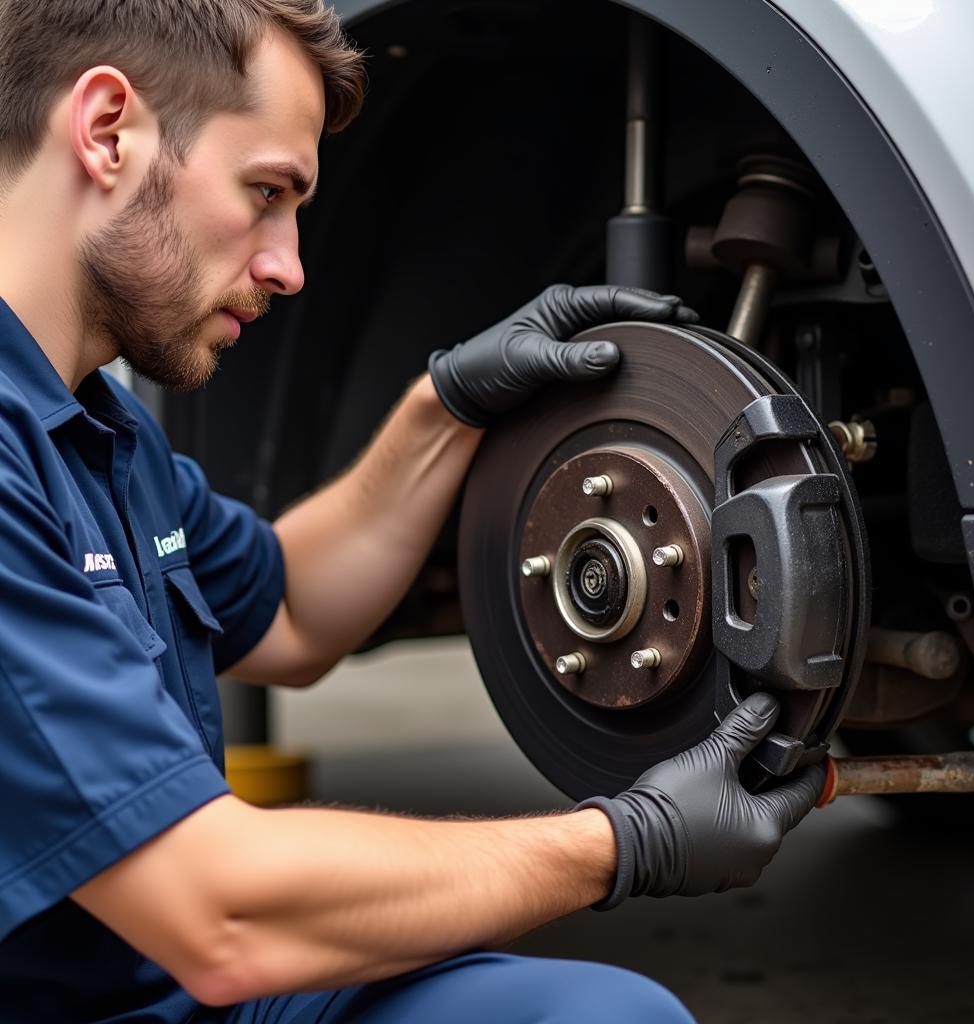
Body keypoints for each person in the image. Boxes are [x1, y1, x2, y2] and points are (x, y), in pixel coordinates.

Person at [0, 2, 825, 1022]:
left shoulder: (97, 427)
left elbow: (293, 610)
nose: (288, 266)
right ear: (107, 130)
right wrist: (624, 840)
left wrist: (448, 405)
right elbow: (217, 914)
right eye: (264, 191)